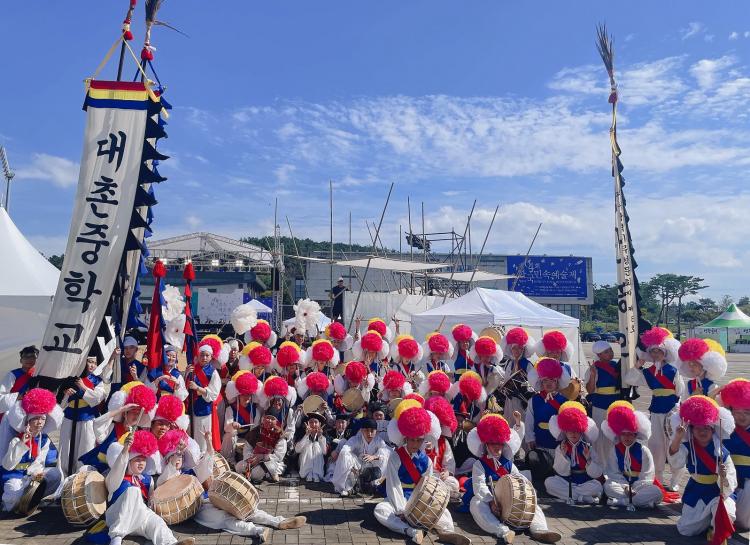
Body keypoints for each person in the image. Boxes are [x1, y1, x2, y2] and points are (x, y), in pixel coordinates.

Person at [374, 400, 471, 545]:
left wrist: (427, 504)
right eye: (412, 440)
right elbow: (393, 485)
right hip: (399, 497)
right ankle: (410, 531)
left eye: (419, 440)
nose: (415, 444)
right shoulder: (396, 456)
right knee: (380, 510)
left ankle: (447, 532)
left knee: (443, 511)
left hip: (418, 498)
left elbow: (428, 487)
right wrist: (401, 511)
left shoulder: (427, 461)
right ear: (405, 438)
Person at [463, 413, 561, 544]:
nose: (497, 446)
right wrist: (491, 501)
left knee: (534, 505)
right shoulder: (479, 465)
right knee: (476, 504)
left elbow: (520, 481)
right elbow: (479, 486)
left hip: (509, 499)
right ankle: (502, 531)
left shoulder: (509, 464)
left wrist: (525, 496)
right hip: (489, 500)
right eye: (493, 443)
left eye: (500, 443)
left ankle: (540, 530)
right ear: (486, 444)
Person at [104, 429, 193, 545]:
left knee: (157, 521)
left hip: (139, 518)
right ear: (128, 462)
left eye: (144, 460)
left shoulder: (147, 480)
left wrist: (177, 455)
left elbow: (152, 501)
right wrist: (125, 449)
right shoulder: (116, 479)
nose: (141, 463)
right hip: (116, 518)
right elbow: (118, 467)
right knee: (133, 491)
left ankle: (170, 543)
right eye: (137, 460)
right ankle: (116, 539)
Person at [624, 326, 685, 490]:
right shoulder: (648, 372)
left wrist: (677, 410)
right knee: (656, 445)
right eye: (653, 352)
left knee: (673, 444)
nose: (656, 354)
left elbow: (680, 391)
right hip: (656, 410)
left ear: (665, 353)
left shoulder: (673, 370)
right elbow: (630, 379)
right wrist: (638, 366)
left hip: (672, 411)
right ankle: (657, 478)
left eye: (659, 351)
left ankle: (675, 480)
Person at [668, 395, 737, 539]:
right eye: (698, 428)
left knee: (726, 513)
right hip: (697, 490)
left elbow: (731, 479)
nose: (702, 432)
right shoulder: (688, 446)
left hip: (717, 491)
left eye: (706, 428)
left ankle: (714, 524)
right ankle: (707, 520)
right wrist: (678, 437)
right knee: (686, 530)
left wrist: (724, 475)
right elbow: (675, 463)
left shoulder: (722, 452)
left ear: (713, 430)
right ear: (691, 430)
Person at [1, 388, 63, 512]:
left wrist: (36, 474)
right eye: (36, 418)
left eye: (43, 419)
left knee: (56, 475)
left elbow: (39, 462)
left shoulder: (43, 440)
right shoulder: (16, 439)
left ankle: (33, 499)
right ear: (28, 421)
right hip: (14, 476)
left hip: (31, 475)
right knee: (14, 493)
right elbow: (8, 465)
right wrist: (22, 444)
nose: (40, 423)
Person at [79, 381, 157, 473]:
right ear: (125, 413)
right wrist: (121, 409)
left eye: (139, 413)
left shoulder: (138, 434)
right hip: (98, 468)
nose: (136, 415)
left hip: (120, 472)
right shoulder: (112, 427)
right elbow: (97, 423)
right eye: (133, 412)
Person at [601, 401, 662, 508]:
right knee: (608, 486)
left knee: (657, 492)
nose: (626, 437)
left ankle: (621, 502)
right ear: (619, 435)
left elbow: (647, 476)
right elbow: (613, 473)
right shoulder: (614, 450)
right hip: (621, 486)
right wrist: (626, 487)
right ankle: (638, 502)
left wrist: (634, 489)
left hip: (640, 487)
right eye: (623, 434)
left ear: (635, 435)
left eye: (630, 434)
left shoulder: (644, 451)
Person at [59, 354, 111, 475]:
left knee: (86, 447)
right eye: (89, 362)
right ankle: (64, 475)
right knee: (66, 449)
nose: (92, 365)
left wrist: (83, 388)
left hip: (87, 418)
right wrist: (66, 393)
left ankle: (82, 476)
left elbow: (97, 399)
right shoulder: (70, 378)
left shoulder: (97, 381)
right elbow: (61, 403)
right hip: (69, 417)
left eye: (94, 363)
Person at [544, 401, 603, 504]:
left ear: (582, 431)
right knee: (549, 482)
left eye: (576, 430)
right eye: (569, 430)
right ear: (565, 432)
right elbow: (561, 472)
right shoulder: (561, 447)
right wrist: (563, 456)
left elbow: (597, 473)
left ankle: (572, 496)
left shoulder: (588, 447)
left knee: (597, 486)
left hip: (584, 482)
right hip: (566, 482)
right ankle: (582, 497)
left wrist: (588, 460)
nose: (573, 433)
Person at [524, 358, 571, 481]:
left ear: (557, 382)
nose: (548, 383)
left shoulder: (564, 402)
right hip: (540, 444)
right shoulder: (534, 400)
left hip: (558, 445)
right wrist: (530, 438)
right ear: (541, 382)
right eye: (545, 380)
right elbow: (529, 421)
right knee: (537, 462)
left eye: (552, 380)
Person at [718, 378, 750, 530]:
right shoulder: (725, 429)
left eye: (747, 412)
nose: (741, 416)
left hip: (747, 482)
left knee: (743, 523)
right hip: (727, 479)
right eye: (737, 412)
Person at [584, 340, 621, 465]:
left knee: (615, 434)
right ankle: (600, 464)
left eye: (610, 350)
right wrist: (593, 375)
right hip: (600, 405)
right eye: (606, 352)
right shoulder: (594, 368)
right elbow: (590, 390)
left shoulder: (617, 365)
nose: (610, 353)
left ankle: (614, 464)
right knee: (600, 436)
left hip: (616, 404)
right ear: (599, 355)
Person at [331, 417, 388, 496]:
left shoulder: (379, 441)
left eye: (372, 431)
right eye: (366, 430)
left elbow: (386, 452)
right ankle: (347, 487)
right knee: (345, 454)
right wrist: (351, 467)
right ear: (361, 431)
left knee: (384, 454)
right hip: (357, 468)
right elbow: (346, 449)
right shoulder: (355, 439)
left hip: (373, 468)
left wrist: (374, 457)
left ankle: (375, 484)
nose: (369, 433)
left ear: (376, 431)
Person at [187, 338, 223, 452]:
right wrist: (186, 374)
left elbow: (214, 394)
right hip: (190, 408)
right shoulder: (192, 369)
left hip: (204, 409)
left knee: (202, 438)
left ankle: (202, 459)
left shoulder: (213, 372)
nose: (204, 358)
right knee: (190, 437)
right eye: (202, 355)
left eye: (207, 355)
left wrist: (198, 388)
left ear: (211, 357)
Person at [424, 396, 461, 500]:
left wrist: (447, 472)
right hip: (423, 475)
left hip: (439, 476)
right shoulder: (420, 438)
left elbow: (449, 462)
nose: (437, 426)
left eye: (440, 424)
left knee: (454, 483)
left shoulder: (444, 441)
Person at [498, 328, 536, 424]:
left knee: (522, 420)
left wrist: (525, 385)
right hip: (510, 399)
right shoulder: (509, 363)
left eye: (519, 348)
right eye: (514, 348)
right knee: (509, 419)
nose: (516, 350)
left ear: (523, 349)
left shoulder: (527, 364)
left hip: (523, 400)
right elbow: (506, 379)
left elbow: (533, 383)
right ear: (511, 349)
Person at [222, 370, 261, 461]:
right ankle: (229, 460)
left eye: (249, 395)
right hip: (235, 437)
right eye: (243, 395)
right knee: (229, 435)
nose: (246, 397)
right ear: (238, 395)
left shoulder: (256, 411)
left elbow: (255, 431)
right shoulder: (230, 409)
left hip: (248, 438)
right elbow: (226, 429)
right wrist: (232, 425)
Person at [0, 346, 38, 414]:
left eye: (32, 357)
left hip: (33, 411)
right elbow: (1, 395)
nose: (29, 359)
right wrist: (20, 396)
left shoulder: (39, 374)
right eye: (25, 357)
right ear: (21, 360)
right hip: (14, 411)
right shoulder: (13, 374)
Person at [295, 412, 327, 482]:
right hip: (304, 464)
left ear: (320, 424)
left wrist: (320, 436)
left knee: (316, 444)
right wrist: (306, 435)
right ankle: (308, 472)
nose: (313, 425)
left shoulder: (323, 435)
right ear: (307, 423)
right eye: (311, 422)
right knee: (309, 445)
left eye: (316, 422)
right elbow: (297, 450)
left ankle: (316, 473)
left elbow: (324, 452)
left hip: (318, 466)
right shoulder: (302, 433)